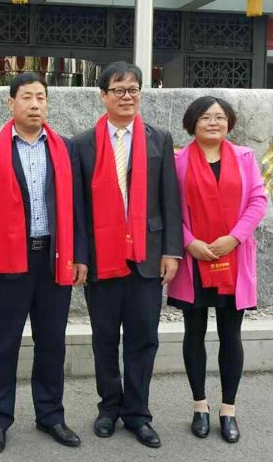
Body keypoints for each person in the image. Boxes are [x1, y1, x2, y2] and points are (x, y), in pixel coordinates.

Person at [0, 72, 83, 454]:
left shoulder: (65, 148)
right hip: (8, 259)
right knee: (1, 345)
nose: (35, 104)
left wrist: (80, 255)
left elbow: (77, 207)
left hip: (53, 258)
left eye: (41, 97)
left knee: (52, 342)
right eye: (27, 97)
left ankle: (50, 415)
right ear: (11, 103)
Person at [71, 61, 182, 449]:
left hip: (146, 257)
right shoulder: (82, 143)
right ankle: (108, 408)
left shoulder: (159, 138)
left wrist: (171, 251)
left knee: (143, 338)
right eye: (118, 90)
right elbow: (78, 208)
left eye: (133, 89)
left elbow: (170, 198)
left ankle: (137, 413)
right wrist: (79, 256)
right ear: (103, 96)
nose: (127, 97)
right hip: (101, 257)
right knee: (104, 338)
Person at [167, 97, 267, 444]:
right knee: (193, 333)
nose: (213, 122)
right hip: (194, 262)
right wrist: (188, 242)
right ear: (192, 123)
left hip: (233, 259)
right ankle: (199, 406)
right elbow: (168, 207)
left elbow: (258, 201)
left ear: (229, 122)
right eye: (206, 117)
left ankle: (228, 410)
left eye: (220, 117)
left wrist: (235, 238)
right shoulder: (177, 162)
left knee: (231, 335)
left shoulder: (244, 158)